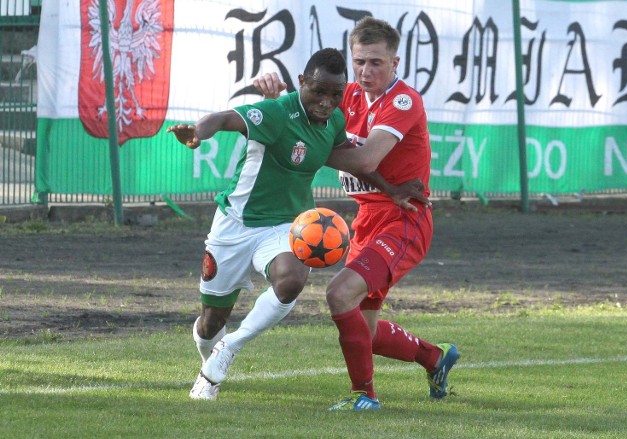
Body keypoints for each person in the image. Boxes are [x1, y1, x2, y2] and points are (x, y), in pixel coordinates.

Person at [167, 48, 427, 401]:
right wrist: (197, 132)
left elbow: (349, 161)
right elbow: (224, 118)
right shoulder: (276, 112)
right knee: (210, 321)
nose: (326, 102)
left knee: (291, 280)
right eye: (318, 92)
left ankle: (228, 350)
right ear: (302, 83)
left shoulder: (335, 121)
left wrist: (392, 190)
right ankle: (209, 362)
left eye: (335, 95)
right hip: (235, 224)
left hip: (285, 227)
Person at [254, 17, 459, 411]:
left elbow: (365, 158)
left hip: (404, 219)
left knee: (339, 292)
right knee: (363, 330)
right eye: (360, 61)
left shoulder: (403, 101)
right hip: (366, 220)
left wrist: (308, 145)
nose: (366, 71)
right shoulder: (343, 95)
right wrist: (273, 93)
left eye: (376, 63)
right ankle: (434, 357)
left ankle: (364, 396)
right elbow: (295, 113)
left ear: (395, 62)